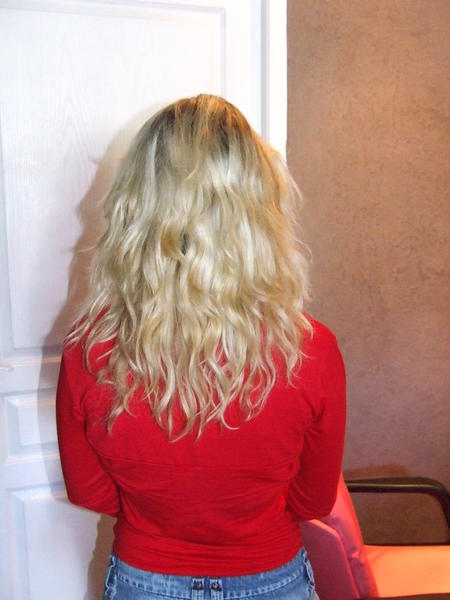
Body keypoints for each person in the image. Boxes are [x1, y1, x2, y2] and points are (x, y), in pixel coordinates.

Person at [56, 94, 346, 600]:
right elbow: (313, 500)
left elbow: (92, 492)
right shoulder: (310, 350)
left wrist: (164, 519)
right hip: (271, 577)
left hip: (143, 578)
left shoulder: (89, 351)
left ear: (134, 205)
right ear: (258, 209)